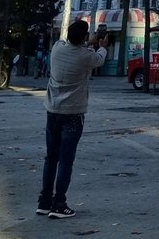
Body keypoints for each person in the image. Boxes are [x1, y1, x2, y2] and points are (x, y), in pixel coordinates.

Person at [38, 20, 106, 220]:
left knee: (51, 157)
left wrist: (87, 41)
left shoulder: (57, 49)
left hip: (53, 109)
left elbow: (73, 46)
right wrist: (101, 45)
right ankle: (59, 203)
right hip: (73, 112)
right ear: (85, 38)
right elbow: (99, 58)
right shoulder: (86, 56)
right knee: (66, 160)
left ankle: (44, 201)